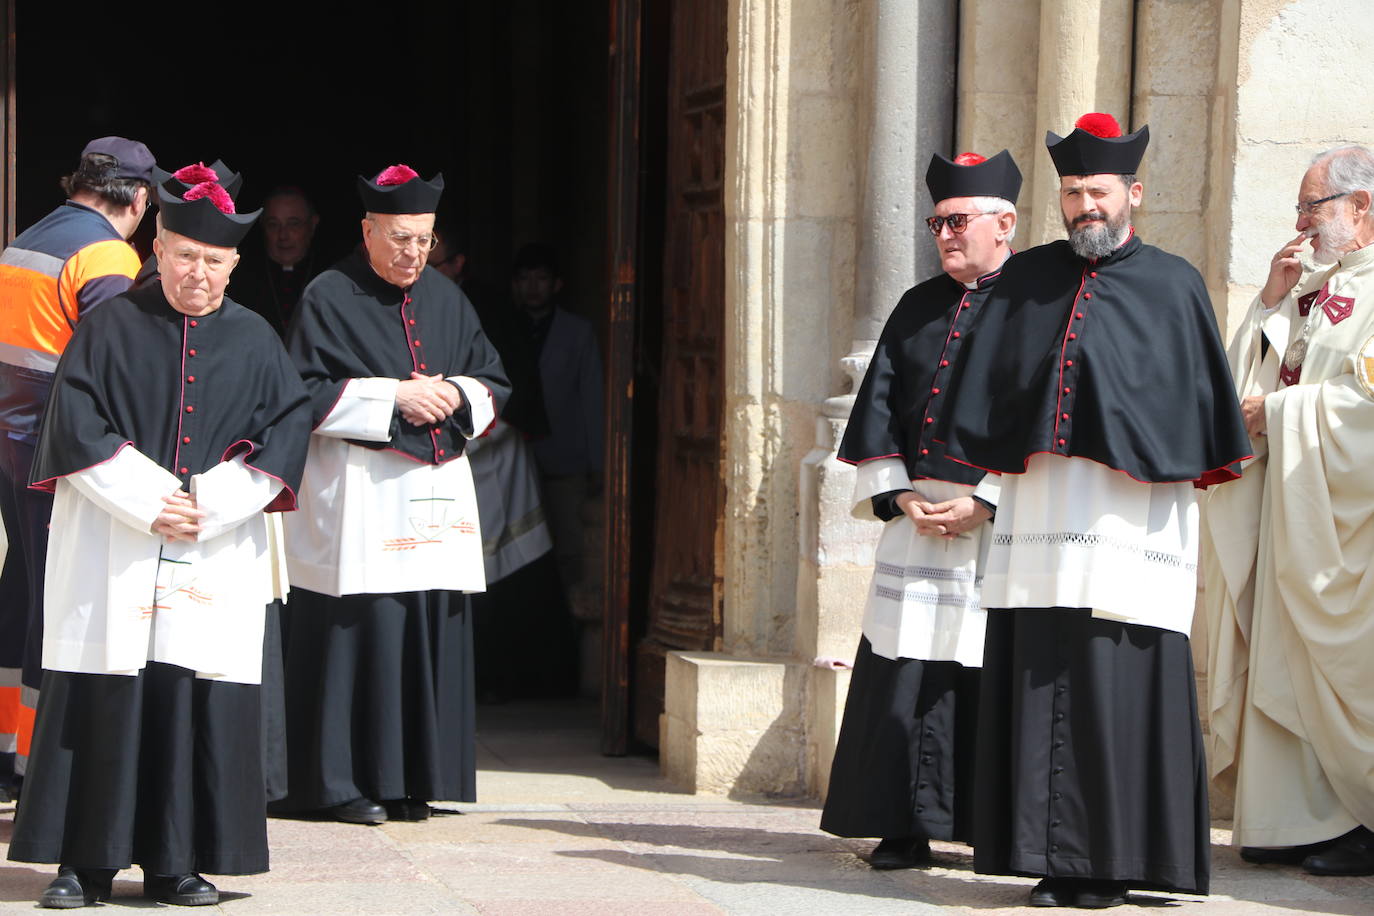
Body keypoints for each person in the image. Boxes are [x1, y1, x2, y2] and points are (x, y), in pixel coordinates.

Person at [935, 113, 1251, 908]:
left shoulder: (1174, 284)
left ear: (1132, 193)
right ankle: (1052, 858)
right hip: (1042, 517)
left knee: (1119, 681)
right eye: (1073, 193)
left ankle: (1123, 863)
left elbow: (1189, 408)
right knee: (1041, 676)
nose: (1085, 207)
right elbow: (988, 393)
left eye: (1098, 191)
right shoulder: (1027, 281)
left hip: (1130, 523)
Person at [6, 170, 311, 908]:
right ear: (158, 246)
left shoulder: (256, 339)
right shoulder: (108, 327)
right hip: (115, 541)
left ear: (234, 265)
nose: (197, 272)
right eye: (183, 255)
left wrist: (208, 503)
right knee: (103, 696)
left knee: (184, 696)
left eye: (213, 261)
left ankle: (177, 861)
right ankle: (84, 863)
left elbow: (285, 432)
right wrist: (151, 501)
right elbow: (73, 425)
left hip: (210, 543)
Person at [276, 165, 509, 825]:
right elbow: (301, 393)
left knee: (427, 624)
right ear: (368, 231)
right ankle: (339, 784)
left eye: (424, 241)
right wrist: (394, 396)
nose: (413, 254)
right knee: (365, 631)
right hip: (360, 494)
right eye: (401, 239)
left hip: (434, 496)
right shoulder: (329, 293)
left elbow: (494, 378)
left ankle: (416, 778)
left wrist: (458, 395)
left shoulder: (446, 297)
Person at [821, 150, 1021, 869]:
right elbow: (876, 408)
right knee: (904, 671)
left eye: (957, 220)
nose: (944, 233)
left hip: (997, 525)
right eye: (937, 221)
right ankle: (902, 824)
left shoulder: (1035, 307)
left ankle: (986, 826)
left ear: (1006, 223)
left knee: (982, 670)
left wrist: (988, 498)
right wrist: (899, 494)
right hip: (917, 522)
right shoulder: (916, 305)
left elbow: (1045, 419)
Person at [1203, 145, 1374, 876]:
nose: (1300, 221)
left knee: (1345, 665)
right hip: (1292, 511)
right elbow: (1245, 381)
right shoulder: (1313, 289)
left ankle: (1361, 816)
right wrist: (1271, 301)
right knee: (1285, 658)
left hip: (1347, 527)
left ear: (1361, 207)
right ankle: (1292, 819)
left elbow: (1365, 409)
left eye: (1314, 206)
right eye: (1303, 206)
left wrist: (1279, 409)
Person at [0, 137, 156, 799]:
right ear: (142, 199)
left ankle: (6, 752)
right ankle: (37, 766)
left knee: (20, 596)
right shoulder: (109, 256)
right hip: (54, 457)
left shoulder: (27, 239)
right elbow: (110, 363)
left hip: (11, 448)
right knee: (53, 606)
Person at [229, 186, 325, 335]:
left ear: (312, 224)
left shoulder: (328, 276)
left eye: (294, 223)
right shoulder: (241, 278)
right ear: (262, 225)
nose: (283, 235)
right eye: (273, 224)